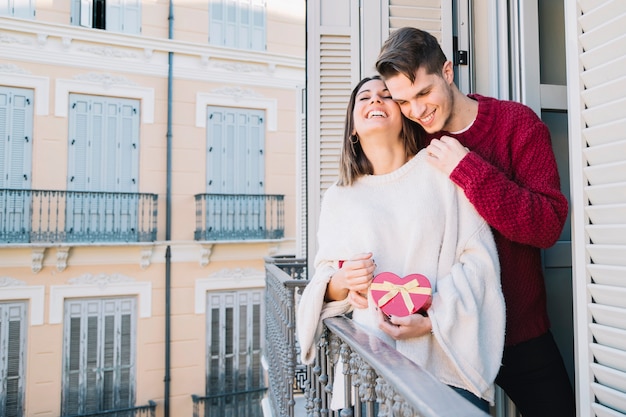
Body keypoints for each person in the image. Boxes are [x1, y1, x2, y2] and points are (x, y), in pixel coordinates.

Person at [375, 27, 575, 417]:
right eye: (404, 101)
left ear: (447, 72)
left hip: (520, 332)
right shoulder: (413, 141)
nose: (416, 111)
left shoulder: (518, 125)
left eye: (423, 93)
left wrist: (468, 169)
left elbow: (548, 226)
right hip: (443, 334)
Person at [296, 75, 506, 413]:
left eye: (385, 95)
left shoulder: (441, 172)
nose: (375, 101)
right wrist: (342, 280)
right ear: (352, 126)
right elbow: (326, 279)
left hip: (443, 366)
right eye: (364, 98)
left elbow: (478, 259)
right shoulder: (339, 198)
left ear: (402, 115)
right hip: (371, 372)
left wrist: (434, 318)